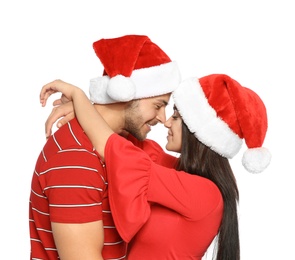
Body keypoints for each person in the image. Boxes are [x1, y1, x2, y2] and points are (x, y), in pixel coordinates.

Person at [39, 74, 271, 259]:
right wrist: (88, 110)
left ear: (199, 133)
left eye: (177, 117)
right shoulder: (173, 170)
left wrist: (79, 98)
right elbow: (124, 141)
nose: (167, 121)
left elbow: (113, 148)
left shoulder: (206, 195)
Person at [29, 34, 181, 260]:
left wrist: (83, 105)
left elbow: (196, 178)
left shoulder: (129, 145)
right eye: (158, 105)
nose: (162, 118)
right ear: (126, 95)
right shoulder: (75, 158)